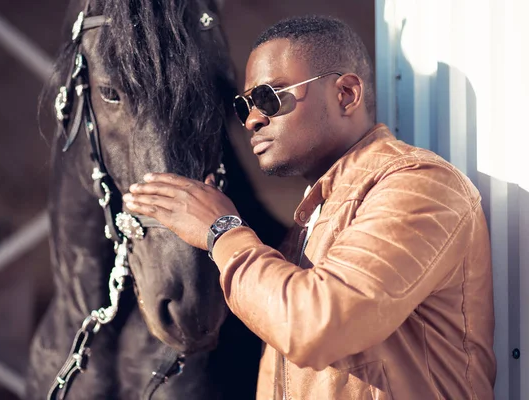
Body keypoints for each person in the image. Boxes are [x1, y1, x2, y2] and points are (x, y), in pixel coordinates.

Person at [123, 15, 496, 399]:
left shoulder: (419, 184)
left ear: (346, 94)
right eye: (244, 105)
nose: (252, 119)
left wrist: (221, 230)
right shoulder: (308, 225)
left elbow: (315, 326)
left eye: (270, 96)